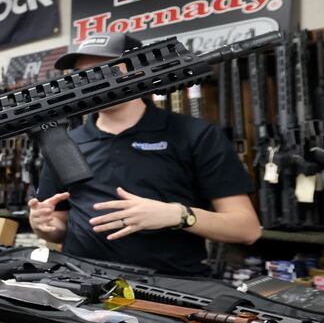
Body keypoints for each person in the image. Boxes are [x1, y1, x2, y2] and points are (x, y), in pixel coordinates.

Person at [28, 32, 261, 276]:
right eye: (81, 74)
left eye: (105, 69)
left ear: (139, 71)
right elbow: (59, 226)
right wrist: (43, 225)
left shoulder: (195, 135)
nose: (90, 81)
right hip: (80, 281)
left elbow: (246, 229)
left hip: (169, 287)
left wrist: (177, 214)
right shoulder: (64, 144)